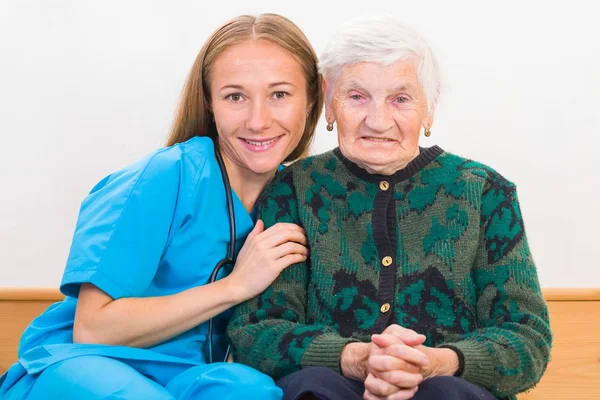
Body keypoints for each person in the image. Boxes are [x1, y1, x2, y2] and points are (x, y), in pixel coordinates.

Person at [0, 13, 323, 400]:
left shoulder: (300, 197)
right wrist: (236, 285)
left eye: (280, 94)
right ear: (210, 102)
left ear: (311, 99)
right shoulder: (164, 177)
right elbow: (92, 329)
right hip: (86, 364)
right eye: (235, 96)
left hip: (189, 378)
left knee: (251, 391)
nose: (258, 120)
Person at [228, 15, 552, 400]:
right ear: (330, 104)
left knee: (446, 393)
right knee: (314, 387)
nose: (378, 120)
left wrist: (435, 362)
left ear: (428, 110)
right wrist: (354, 358)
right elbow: (257, 330)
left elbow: (526, 337)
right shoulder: (293, 189)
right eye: (357, 96)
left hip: (449, 386)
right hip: (329, 387)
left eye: (400, 99)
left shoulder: (485, 192)